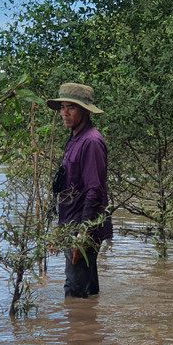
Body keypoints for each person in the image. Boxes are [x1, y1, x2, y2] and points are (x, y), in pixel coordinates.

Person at [46, 83, 113, 298]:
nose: (64, 113)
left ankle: (78, 321)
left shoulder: (91, 141)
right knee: (88, 292)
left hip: (83, 227)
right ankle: (90, 319)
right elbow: (70, 188)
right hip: (72, 223)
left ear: (85, 111)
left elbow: (95, 191)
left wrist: (82, 235)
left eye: (71, 107)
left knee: (74, 293)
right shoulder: (75, 138)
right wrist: (60, 230)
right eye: (62, 107)